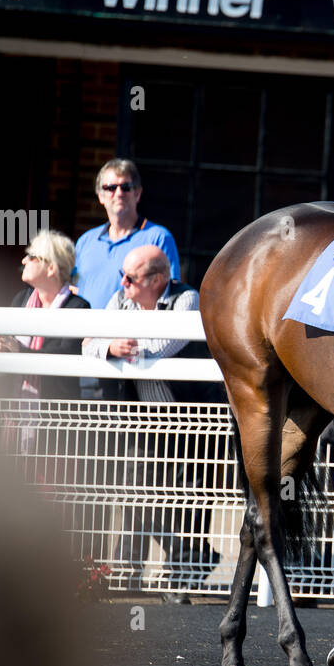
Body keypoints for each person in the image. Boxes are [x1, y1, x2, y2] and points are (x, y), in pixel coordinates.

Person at [83, 245, 223, 604]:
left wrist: (123, 342)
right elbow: (88, 342)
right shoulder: (121, 298)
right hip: (142, 416)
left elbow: (165, 344)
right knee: (134, 492)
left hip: (191, 418)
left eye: (132, 278)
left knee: (189, 498)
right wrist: (110, 346)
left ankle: (180, 580)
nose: (124, 283)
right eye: (122, 276)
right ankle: (131, 572)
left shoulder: (186, 298)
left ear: (158, 280)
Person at [73, 159, 181, 399]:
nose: (118, 193)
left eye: (126, 187)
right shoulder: (85, 242)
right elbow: (73, 291)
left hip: (131, 361)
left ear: (138, 193)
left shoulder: (157, 238)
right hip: (89, 353)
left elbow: (166, 297)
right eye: (110, 188)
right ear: (100, 196)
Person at [0, 230, 90, 399]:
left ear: (51, 268)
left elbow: (65, 356)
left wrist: (19, 350)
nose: (24, 260)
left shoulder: (77, 307)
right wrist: (1, 345)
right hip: (13, 406)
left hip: (56, 413)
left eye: (32, 256)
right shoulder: (21, 298)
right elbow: (9, 350)